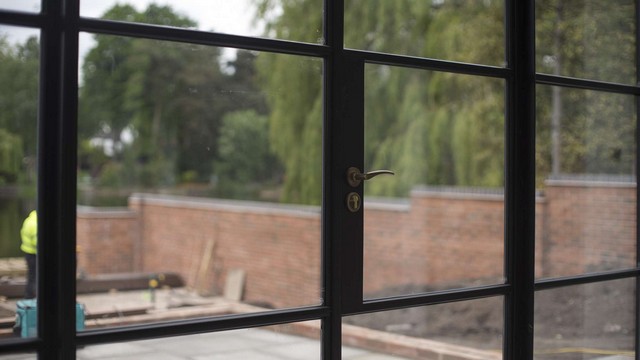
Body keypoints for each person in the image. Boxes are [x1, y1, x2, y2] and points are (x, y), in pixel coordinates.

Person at [20, 210, 37, 299]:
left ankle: (28, 296)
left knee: (31, 276)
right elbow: (37, 243)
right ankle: (31, 297)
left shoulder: (28, 220)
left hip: (28, 253)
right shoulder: (35, 224)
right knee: (35, 276)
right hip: (34, 254)